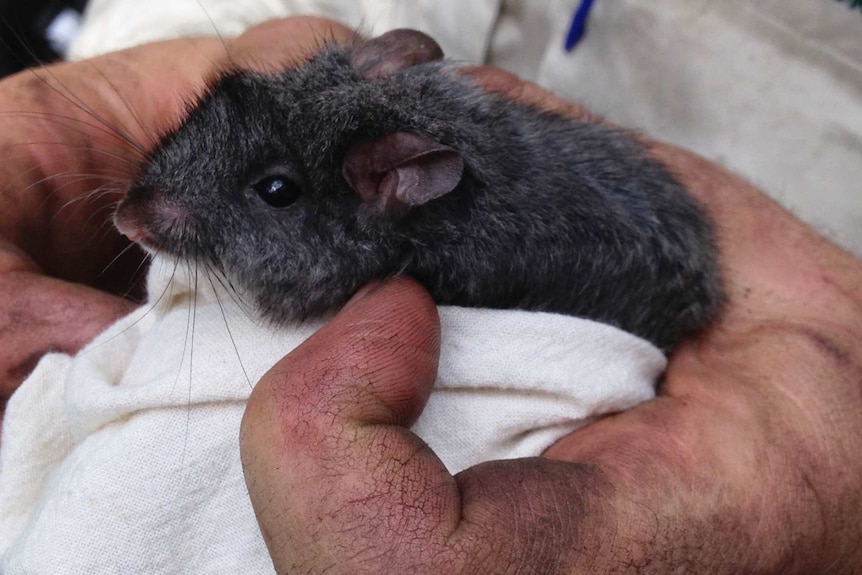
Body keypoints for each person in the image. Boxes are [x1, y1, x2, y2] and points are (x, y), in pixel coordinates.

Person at [1, 16, 861, 574]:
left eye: (272, 191)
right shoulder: (371, 125)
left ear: (396, 180)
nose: (157, 211)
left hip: (666, 286)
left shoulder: (410, 214)